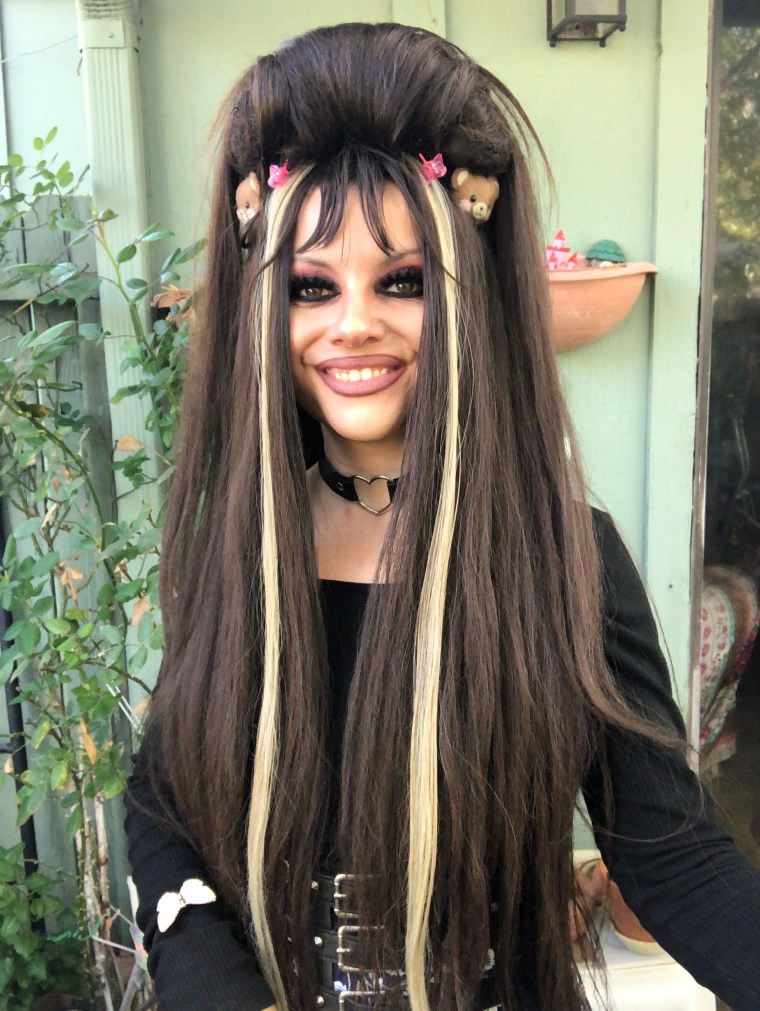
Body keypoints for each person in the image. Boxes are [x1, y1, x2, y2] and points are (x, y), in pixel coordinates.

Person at [125, 22, 760, 1011]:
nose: (353, 323)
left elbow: (673, 857)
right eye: (310, 287)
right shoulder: (239, 550)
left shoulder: (565, 560)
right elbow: (162, 799)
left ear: (468, 297)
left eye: (404, 282)